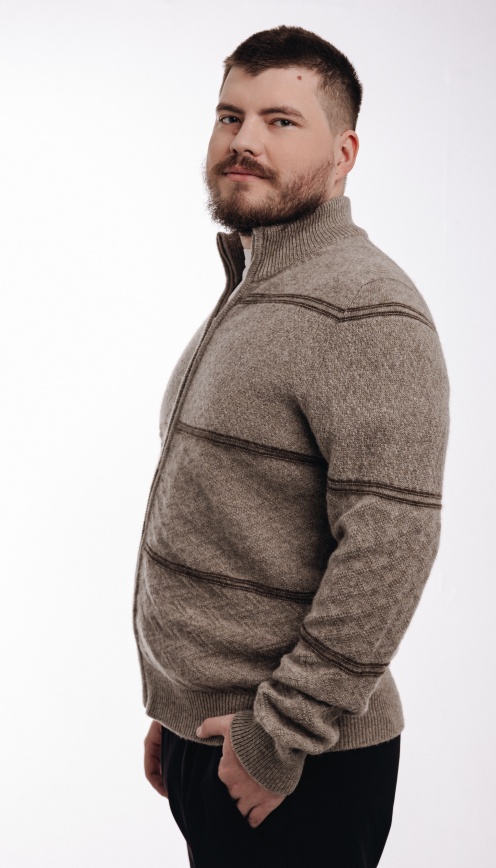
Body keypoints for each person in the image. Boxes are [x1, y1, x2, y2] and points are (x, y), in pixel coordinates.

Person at [134, 25, 449, 868]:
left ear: (343, 154)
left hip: (297, 764)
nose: (243, 140)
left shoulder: (363, 306)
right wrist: (178, 705)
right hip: (218, 736)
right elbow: (231, 513)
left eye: (280, 121)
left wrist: (275, 737)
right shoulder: (257, 288)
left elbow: (391, 542)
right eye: (229, 115)